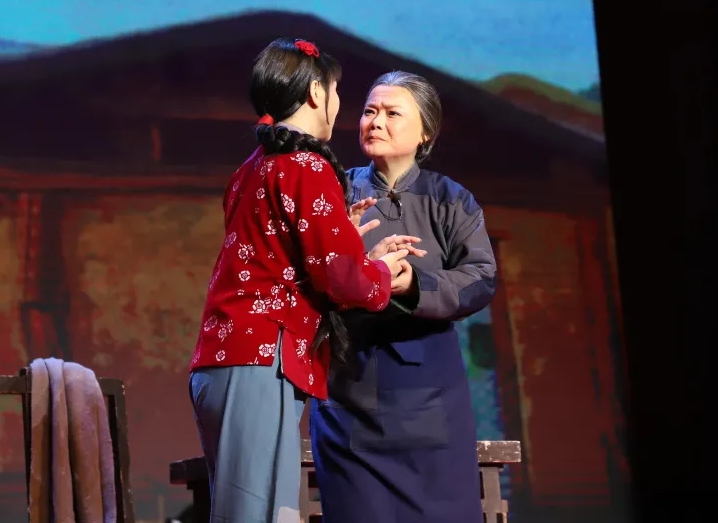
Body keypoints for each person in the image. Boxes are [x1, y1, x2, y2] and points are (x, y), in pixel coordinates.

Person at [188, 40, 419, 523]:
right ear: (316, 92)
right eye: (336, 91)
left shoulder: (254, 167)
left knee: (256, 512)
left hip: (227, 356)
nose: (339, 103)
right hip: (260, 358)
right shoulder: (306, 166)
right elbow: (341, 279)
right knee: (257, 515)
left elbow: (281, 257)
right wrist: (381, 273)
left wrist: (348, 244)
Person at [309, 71, 498, 523]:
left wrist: (413, 284)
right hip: (349, 395)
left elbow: (480, 278)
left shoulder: (451, 199)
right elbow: (304, 277)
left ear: (425, 131)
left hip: (431, 395)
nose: (376, 121)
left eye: (392, 113)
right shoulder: (333, 191)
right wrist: (356, 267)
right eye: (370, 111)